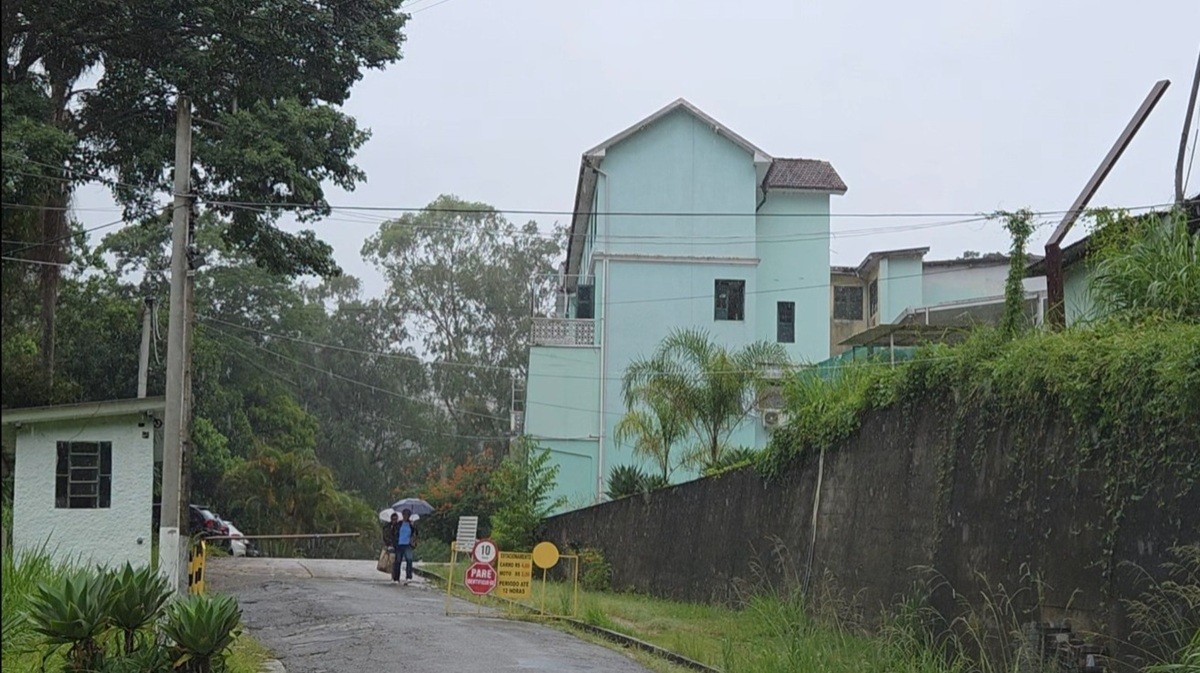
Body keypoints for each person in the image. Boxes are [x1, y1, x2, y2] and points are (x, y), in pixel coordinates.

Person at [391, 508, 418, 585]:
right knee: (398, 561)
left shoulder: (411, 525)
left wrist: (413, 527)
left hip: (408, 545)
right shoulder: (398, 524)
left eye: (407, 515)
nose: (406, 516)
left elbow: (415, 534)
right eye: (404, 514)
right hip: (399, 544)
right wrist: (393, 543)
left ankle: (408, 577)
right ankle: (396, 578)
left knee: (409, 559)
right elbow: (393, 533)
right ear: (402, 515)